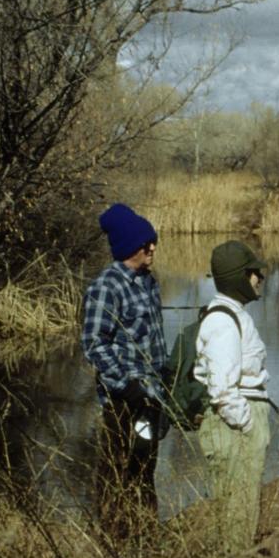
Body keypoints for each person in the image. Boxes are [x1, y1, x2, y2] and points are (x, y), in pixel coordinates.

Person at [81, 203, 168, 538]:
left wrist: (162, 382)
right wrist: (123, 383)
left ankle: (146, 536)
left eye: (153, 242)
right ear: (131, 245)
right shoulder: (106, 287)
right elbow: (93, 343)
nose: (153, 248)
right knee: (117, 472)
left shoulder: (149, 282)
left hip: (151, 399)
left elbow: (153, 338)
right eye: (147, 243)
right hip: (121, 404)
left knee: (145, 469)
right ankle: (113, 543)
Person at [195, 240, 274, 558]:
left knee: (239, 514)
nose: (260, 278)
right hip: (236, 427)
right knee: (237, 520)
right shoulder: (223, 321)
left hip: (240, 423)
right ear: (240, 277)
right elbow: (223, 391)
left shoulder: (232, 316)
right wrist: (248, 424)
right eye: (254, 272)